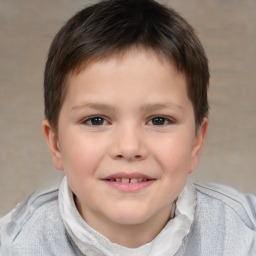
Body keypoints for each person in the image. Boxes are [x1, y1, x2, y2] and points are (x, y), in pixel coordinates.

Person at [0, 0, 255, 255]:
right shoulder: (14, 246)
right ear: (56, 144)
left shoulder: (245, 236)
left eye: (159, 120)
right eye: (96, 120)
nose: (129, 147)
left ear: (196, 143)